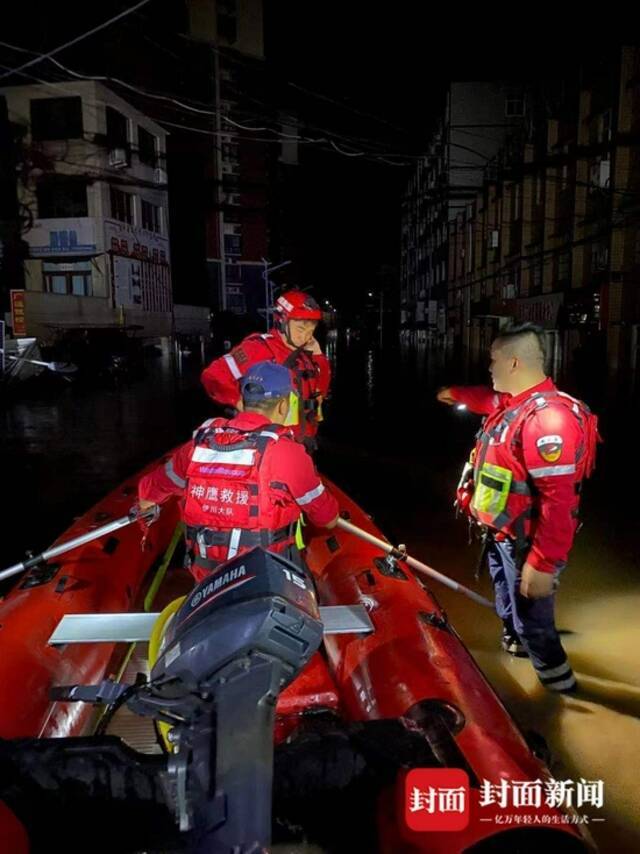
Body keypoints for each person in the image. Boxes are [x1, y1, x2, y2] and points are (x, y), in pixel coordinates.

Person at [437, 323, 599, 693]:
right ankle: (516, 644)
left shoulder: (548, 421)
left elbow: (560, 504)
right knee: (509, 607)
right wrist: (454, 393)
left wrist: (542, 564)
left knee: (534, 623)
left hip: (527, 545)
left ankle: (563, 690)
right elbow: (487, 400)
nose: (488, 368)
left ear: (513, 362)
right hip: (502, 534)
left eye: (492, 361)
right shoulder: (515, 403)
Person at [139, 361, 339, 582]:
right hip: (266, 577)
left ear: (242, 401)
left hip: (208, 578)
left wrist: (146, 508)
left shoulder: (198, 445)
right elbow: (327, 518)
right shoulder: (287, 453)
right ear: (284, 406)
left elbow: (149, 491)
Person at [200, 290, 330, 450]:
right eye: (300, 329)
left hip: (302, 440)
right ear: (282, 321)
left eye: (311, 330)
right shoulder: (257, 348)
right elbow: (212, 376)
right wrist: (237, 401)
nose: (306, 336)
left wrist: (319, 357)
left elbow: (320, 391)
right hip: (269, 442)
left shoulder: (306, 353)